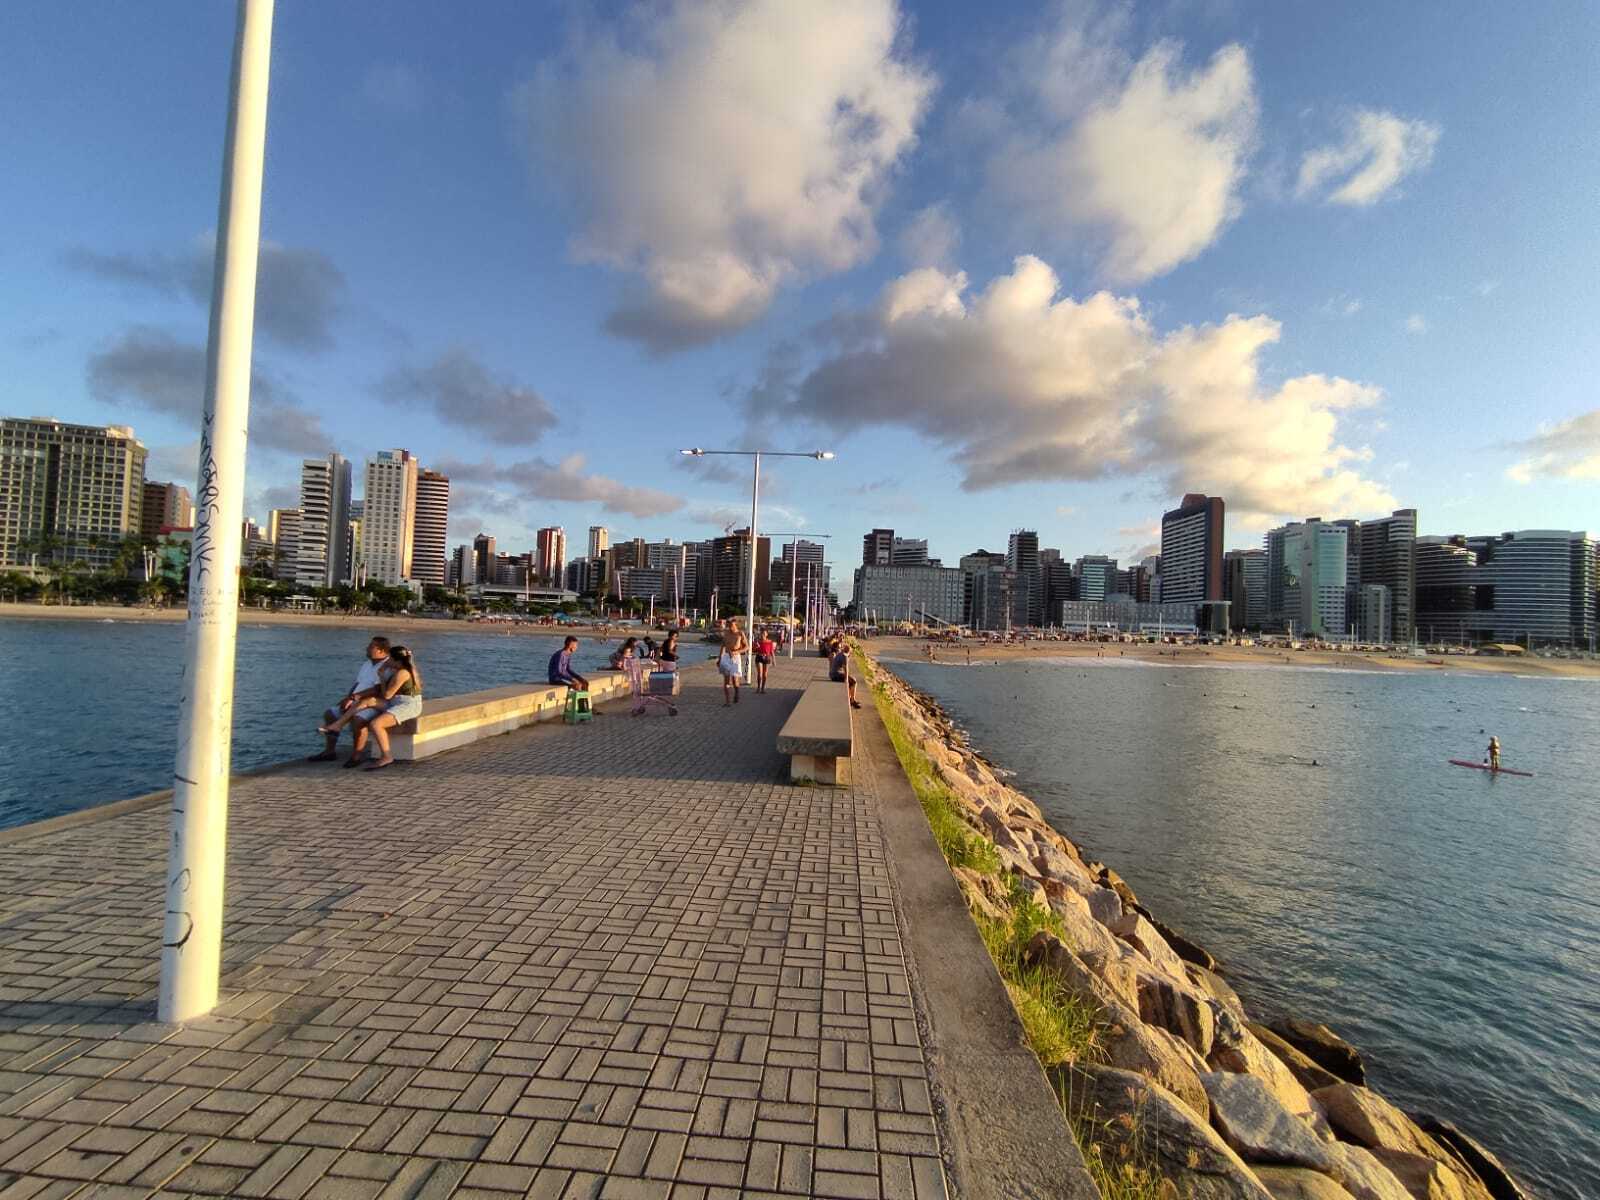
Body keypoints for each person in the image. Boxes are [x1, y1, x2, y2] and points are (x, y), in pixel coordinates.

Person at [308, 637, 390, 762]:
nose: (367, 649)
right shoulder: (367, 664)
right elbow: (357, 684)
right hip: (356, 700)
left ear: (381, 650)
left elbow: (377, 690)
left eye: (370, 647)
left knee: (358, 720)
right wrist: (347, 698)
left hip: (373, 703)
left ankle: (356, 755)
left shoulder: (386, 666)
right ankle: (329, 751)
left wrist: (353, 697)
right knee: (330, 714)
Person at [349, 646, 422, 771]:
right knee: (368, 701)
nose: (387, 661)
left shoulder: (402, 673)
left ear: (395, 659)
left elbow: (387, 695)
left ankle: (386, 756)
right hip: (397, 701)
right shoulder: (404, 668)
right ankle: (337, 725)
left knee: (376, 724)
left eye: (390, 658)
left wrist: (382, 677)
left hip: (407, 705)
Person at [719, 618, 748, 706]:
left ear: (736, 625)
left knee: (735, 680)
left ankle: (737, 692)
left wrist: (736, 652)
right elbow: (723, 646)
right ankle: (727, 701)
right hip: (727, 657)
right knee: (726, 681)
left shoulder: (740, 634)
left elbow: (747, 647)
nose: (730, 627)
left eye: (731, 626)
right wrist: (720, 659)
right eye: (729, 626)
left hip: (736, 657)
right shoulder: (726, 633)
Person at [829, 639, 862, 709]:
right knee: (854, 681)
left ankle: (850, 698)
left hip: (833, 674)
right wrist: (846, 679)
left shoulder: (840, 654)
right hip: (835, 675)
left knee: (851, 682)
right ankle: (852, 701)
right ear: (849, 652)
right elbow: (846, 669)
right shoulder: (844, 656)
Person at [753, 629, 776, 693]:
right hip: (759, 657)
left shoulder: (770, 642)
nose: (762, 635)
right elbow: (753, 650)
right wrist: (756, 647)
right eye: (761, 633)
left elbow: (772, 651)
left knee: (765, 674)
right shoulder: (758, 641)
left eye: (764, 633)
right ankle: (758, 688)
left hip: (767, 657)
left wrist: (774, 660)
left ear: (766, 634)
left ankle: (763, 688)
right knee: (759, 673)